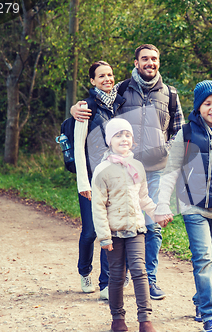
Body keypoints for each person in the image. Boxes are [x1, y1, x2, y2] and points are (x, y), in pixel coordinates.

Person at [71, 44, 184, 300]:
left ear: (159, 62)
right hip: (120, 170)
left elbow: (179, 130)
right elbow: (96, 106)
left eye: (154, 59)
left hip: (155, 171)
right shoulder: (121, 90)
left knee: (152, 226)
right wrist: (74, 110)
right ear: (136, 62)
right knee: (112, 225)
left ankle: (149, 280)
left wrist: (166, 150)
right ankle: (110, 280)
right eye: (145, 59)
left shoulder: (171, 94)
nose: (150, 63)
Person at [154, 80, 212, 332]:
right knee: (204, 259)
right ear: (198, 107)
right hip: (192, 206)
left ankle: (200, 300)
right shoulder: (185, 133)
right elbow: (171, 171)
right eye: (208, 104)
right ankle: (210, 315)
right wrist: (163, 204)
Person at [92, 118, 169, 332]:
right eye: (118, 135)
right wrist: (104, 236)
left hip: (136, 229)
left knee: (139, 271)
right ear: (109, 141)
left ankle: (145, 320)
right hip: (114, 233)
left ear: (132, 140)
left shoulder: (137, 166)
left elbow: (144, 198)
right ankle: (118, 319)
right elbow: (98, 206)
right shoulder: (102, 170)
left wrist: (157, 214)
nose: (124, 139)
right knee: (116, 275)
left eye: (127, 135)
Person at [74, 61, 122, 300]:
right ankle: (84, 271)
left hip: (113, 181)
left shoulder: (119, 105)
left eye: (110, 75)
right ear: (92, 80)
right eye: (101, 76)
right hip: (91, 181)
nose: (107, 79)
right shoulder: (86, 107)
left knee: (108, 232)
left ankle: (106, 284)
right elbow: (78, 148)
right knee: (91, 232)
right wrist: (83, 183)